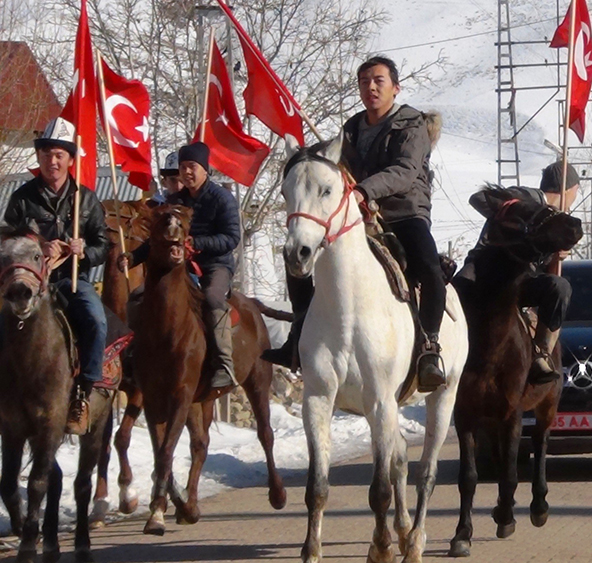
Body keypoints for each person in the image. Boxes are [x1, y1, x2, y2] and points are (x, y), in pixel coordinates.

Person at [263, 56, 448, 392]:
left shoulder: (411, 125)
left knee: (430, 269)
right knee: (300, 256)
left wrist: (363, 191)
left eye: (378, 80)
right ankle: (299, 335)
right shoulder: (351, 128)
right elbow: (330, 160)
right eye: (364, 82)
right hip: (355, 216)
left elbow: (405, 171)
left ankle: (429, 348)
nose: (371, 87)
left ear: (395, 86)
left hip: (404, 212)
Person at [2, 117, 110, 435]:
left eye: (60, 154)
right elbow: (7, 240)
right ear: (39, 157)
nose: (53, 160)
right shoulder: (22, 199)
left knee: (96, 320)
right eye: (48, 153)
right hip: (29, 284)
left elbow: (103, 245)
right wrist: (37, 246)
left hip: (73, 280)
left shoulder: (86, 199)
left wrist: (82, 250)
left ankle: (83, 394)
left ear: (70, 160)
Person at [121, 142, 240, 389]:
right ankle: (133, 353)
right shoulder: (174, 201)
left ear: (205, 169)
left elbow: (231, 238)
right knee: (138, 297)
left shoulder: (222, 199)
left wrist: (198, 242)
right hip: (179, 265)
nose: (187, 172)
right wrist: (134, 257)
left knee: (211, 298)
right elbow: (158, 238)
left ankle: (223, 363)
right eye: (184, 167)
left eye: (192, 167)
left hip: (215, 265)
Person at [452, 161, 580, 384]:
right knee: (456, 294)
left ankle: (541, 354)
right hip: (486, 269)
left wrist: (554, 255)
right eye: (576, 192)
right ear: (569, 189)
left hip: (521, 280)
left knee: (559, 287)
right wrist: (520, 222)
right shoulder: (528, 197)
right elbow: (478, 198)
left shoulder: (556, 221)